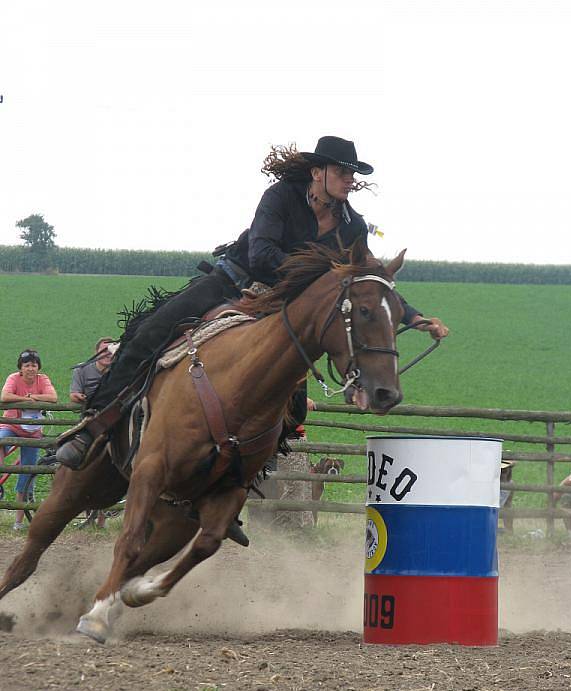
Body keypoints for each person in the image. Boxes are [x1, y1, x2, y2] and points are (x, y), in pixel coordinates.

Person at [56, 136, 449, 470]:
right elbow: (261, 256)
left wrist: (414, 317)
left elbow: (365, 280)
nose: (350, 180)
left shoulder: (353, 226)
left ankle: (236, 482)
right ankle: (94, 425)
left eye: (352, 174)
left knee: (292, 406)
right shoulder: (279, 197)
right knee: (149, 332)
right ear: (318, 172)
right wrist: (318, 280)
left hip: (284, 308)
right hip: (233, 283)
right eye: (343, 171)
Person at [0, 349, 57, 531]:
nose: (31, 368)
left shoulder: (43, 379)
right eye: (27, 365)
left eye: (33, 365)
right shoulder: (13, 378)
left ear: (38, 367)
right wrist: (25, 399)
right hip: (11, 426)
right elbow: (5, 396)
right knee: (0, 442)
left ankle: (18, 522)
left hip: (33, 433)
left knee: (27, 474)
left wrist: (33, 397)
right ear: (20, 368)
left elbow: (53, 398)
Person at [69, 337, 115, 528]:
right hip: (89, 425)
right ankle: (88, 515)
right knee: (84, 466)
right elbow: (73, 395)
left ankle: (103, 519)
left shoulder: (119, 370)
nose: (107, 354)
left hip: (113, 426)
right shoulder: (82, 369)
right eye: (103, 351)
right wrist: (80, 397)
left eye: (111, 351)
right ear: (96, 352)